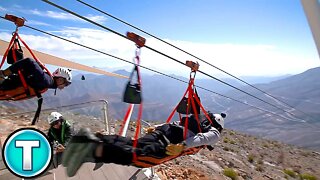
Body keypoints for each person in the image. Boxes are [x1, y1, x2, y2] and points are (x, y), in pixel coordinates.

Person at [62, 112, 226, 177]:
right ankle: (90, 148)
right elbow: (204, 140)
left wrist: (156, 127)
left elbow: (176, 123)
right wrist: (183, 146)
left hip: (160, 134)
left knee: (129, 144)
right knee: (132, 156)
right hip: (166, 146)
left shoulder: (193, 120)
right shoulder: (214, 133)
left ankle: (90, 139)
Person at [0, 57, 72, 91]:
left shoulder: (47, 81)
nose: (64, 87)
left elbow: (29, 61)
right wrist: (39, 67)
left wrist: (4, 73)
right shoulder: (48, 82)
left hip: (5, 84)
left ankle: (2, 74)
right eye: (65, 84)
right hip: (8, 85)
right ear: (60, 79)